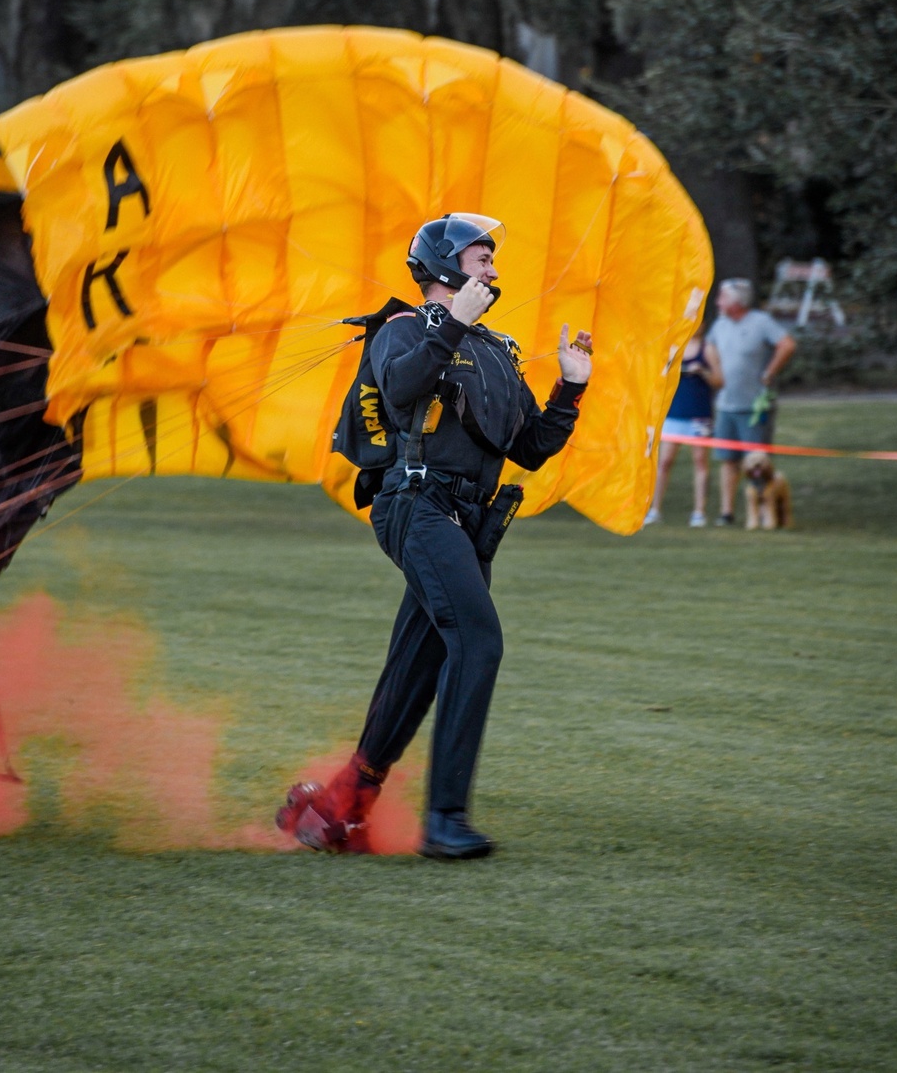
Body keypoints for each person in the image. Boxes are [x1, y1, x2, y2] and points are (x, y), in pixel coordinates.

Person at [276, 213, 592, 860]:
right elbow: (400, 385)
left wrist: (570, 388)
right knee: (478, 640)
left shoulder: (496, 350)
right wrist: (451, 324)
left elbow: (528, 447)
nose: (494, 271)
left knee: (417, 667)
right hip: (416, 505)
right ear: (448, 267)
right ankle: (445, 820)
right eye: (482, 260)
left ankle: (339, 807)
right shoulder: (402, 331)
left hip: (467, 523)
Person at [706, 279, 796, 526]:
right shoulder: (720, 324)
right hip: (726, 405)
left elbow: (787, 344)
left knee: (758, 464)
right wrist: (716, 370)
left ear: (737, 302)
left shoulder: (760, 322)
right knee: (727, 459)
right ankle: (727, 513)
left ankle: (766, 513)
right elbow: (710, 345)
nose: (718, 302)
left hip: (754, 407)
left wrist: (769, 373)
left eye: (722, 298)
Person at [643, 328, 722, 528]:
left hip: (699, 415)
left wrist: (702, 372)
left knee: (700, 462)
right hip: (674, 414)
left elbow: (719, 381)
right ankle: (654, 509)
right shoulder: (674, 348)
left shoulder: (708, 349)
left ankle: (699, 512)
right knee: (664, 462)